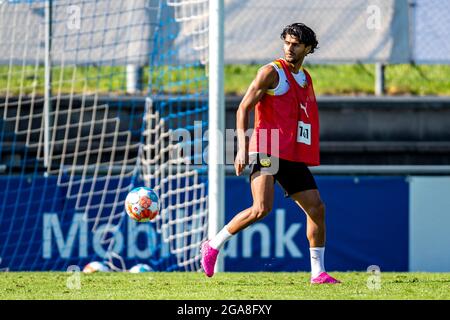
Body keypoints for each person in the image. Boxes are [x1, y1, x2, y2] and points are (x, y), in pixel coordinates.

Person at [201, 23, 340, 284]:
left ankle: (318, 273)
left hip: (290, 152)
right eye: (286, 42)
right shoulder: (271, 72)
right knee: (261, 209)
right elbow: (243, 108)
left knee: (317, 208)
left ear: (308, 48)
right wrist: (242, 148)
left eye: (296, 44)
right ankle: (213, 245)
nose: (289, 48)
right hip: (266, 147)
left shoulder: (305, 78)